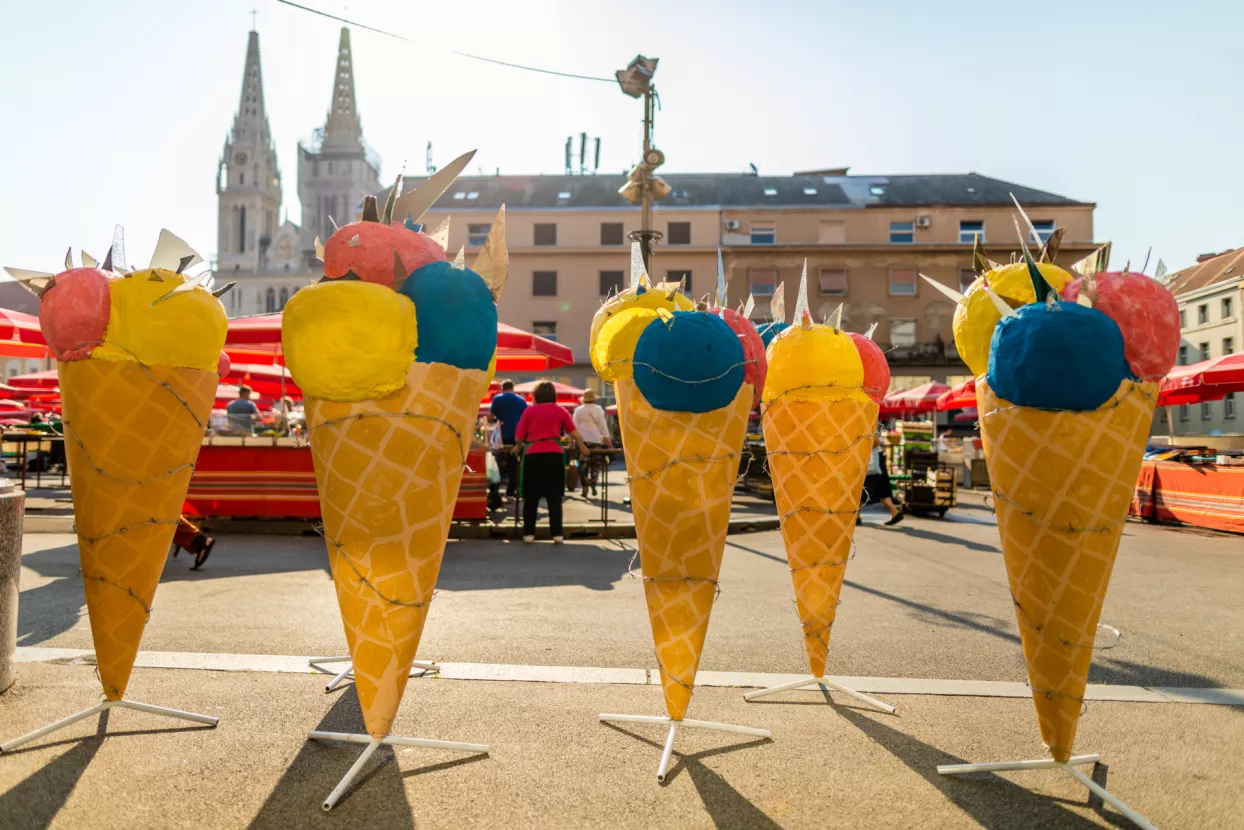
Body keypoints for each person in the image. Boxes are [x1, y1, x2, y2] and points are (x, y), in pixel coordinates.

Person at [514, 381, 588, 544]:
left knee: (531, 497)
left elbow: (519, 437)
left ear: (536, 395)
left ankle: (529, 534)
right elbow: (574, 433)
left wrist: (518, 447)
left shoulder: (529, 411)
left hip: (533, 456)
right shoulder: (560, 410)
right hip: (554, 455)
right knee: (554, 497)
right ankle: (557, 534)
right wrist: (582, 447)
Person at [489, 380, 527, 497]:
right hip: (516, 436)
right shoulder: (521, 400)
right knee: (514, 464)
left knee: (496, 463)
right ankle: (512, 490)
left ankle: (494, 491)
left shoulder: (497, 399)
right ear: (513, 388)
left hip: (499, 436)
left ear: (502, 388)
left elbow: (491, 417)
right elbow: (526, 417)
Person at [572, 389, 612, 498]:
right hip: (595, 440)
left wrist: (572, 440)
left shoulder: (578, 410)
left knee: (582, 466)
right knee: (595, 465)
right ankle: (593, 483)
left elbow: (574, 427)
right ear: (594, 398)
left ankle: (585, 487)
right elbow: (603, 425)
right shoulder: (598, 409)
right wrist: (607, 439)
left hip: (582, 441)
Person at [861, 433, 904, 526]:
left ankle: (894, 512)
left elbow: (876, 442)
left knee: (868, 487)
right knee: (878, 488)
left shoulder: (869, 423)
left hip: (874, 461)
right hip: (874, 460)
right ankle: (894, 512)